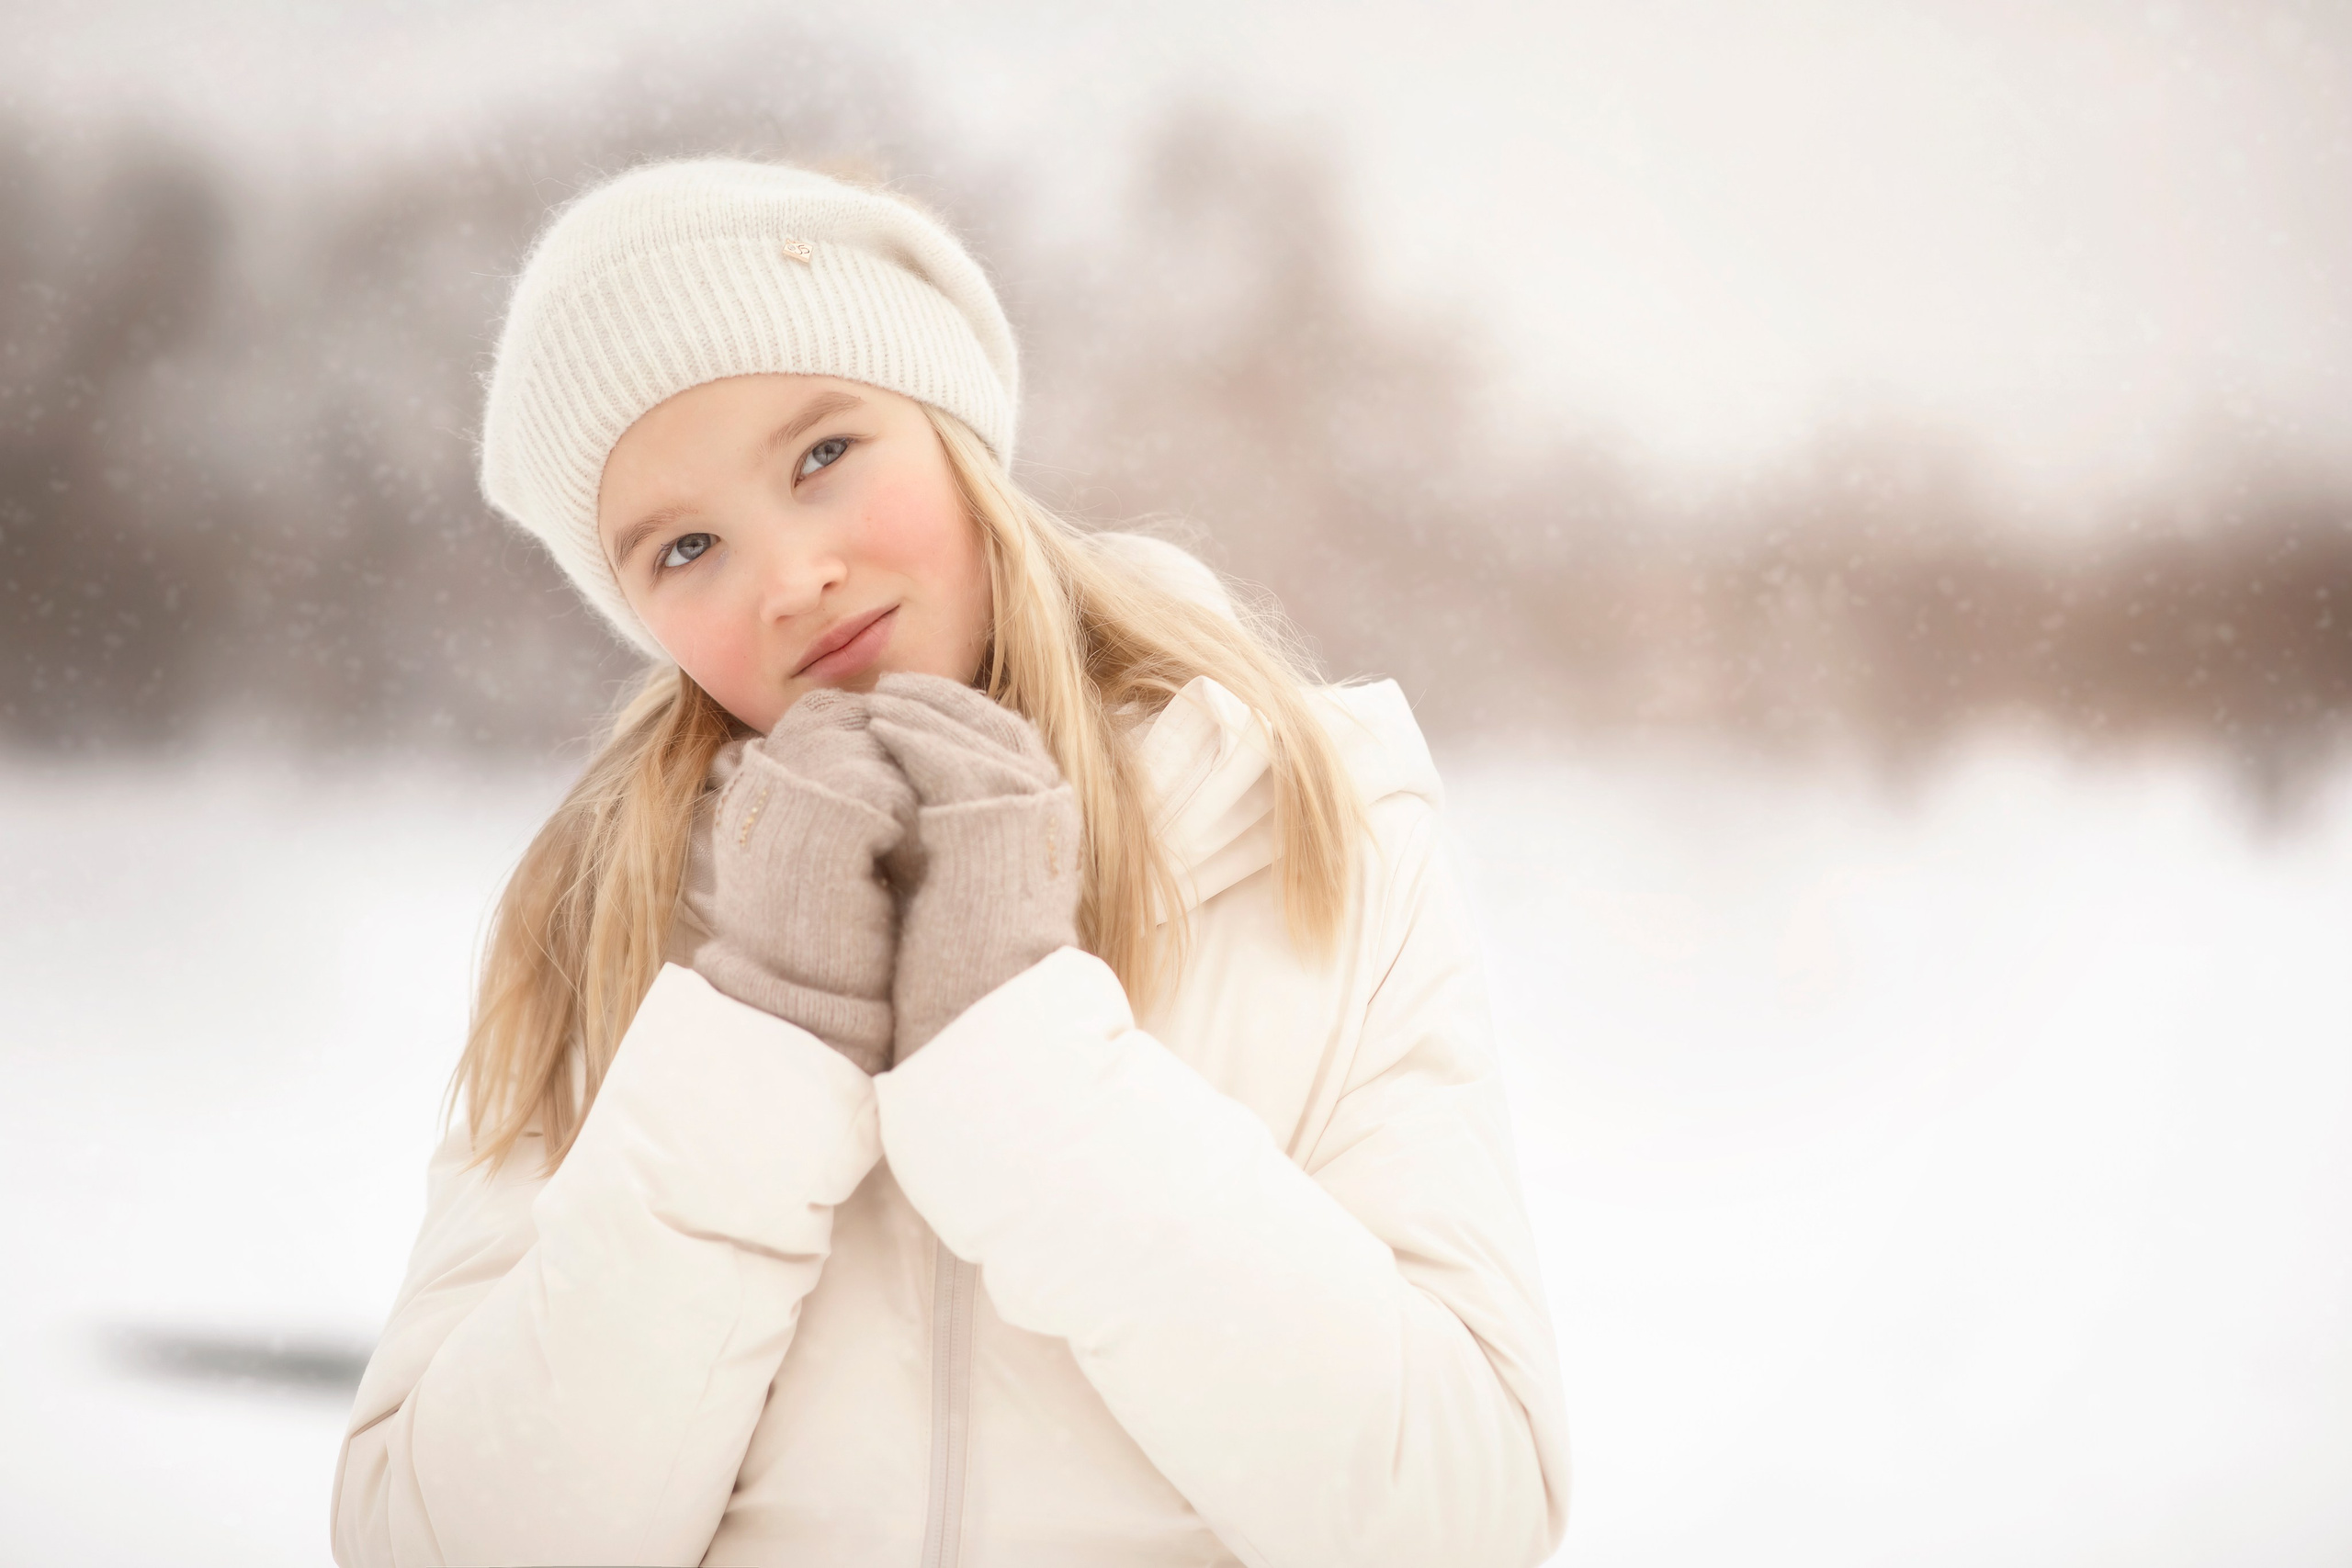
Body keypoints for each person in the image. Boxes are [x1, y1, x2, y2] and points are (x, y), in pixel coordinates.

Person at [329, 157, 1568, 1568]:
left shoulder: (1300, 811)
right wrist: (757, 1035)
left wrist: (1023, 1065)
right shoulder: (603, 913)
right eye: (686, 547)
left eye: (822, 455)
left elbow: (1467, 1516)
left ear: (952, 429)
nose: (791, 575)